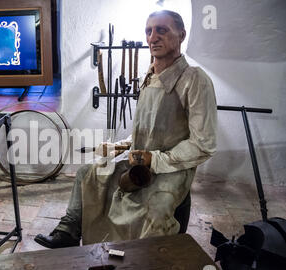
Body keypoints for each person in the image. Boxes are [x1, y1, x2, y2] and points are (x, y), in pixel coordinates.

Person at [34, 10, 217, 248]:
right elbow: (147, 130)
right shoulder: (149, 76)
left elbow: (204, 144)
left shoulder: (194, 79)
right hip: (139, 159)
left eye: (162, 30)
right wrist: (122, 144)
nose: (153, 37)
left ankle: (145, 266)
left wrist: (155, 158)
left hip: (173, 167)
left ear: (181, 35)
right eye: (149, 31)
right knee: (87, 173)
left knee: (154, 211)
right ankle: (69, 231)